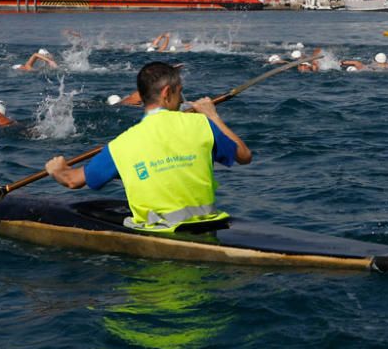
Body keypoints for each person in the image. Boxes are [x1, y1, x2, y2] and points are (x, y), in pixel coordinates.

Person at [45, 62, 252, 232]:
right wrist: (213, 115)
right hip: (208, 224)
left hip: (158, 233)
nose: (182, 100)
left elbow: (72, 181)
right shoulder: (203, 124)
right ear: (167, 92)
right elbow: (244, 156)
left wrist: (58, 169)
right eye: (180, 92)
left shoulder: (122, 144)